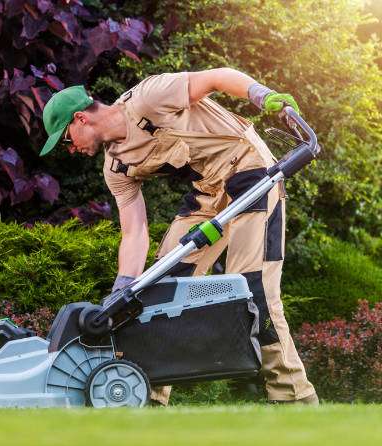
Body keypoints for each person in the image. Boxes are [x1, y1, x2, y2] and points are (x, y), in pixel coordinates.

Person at [39, 68, 319, 405]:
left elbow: (217, 77)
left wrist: (262, 95)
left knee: (254, 288)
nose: (70, 150)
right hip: (207, 193)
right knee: (158, 291)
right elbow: (134, 231)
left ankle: (294, 400)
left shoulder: (149, 97)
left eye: (66, 140)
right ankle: (148, 396)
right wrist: (124, 288)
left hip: (250, 172)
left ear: (81, 118)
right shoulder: (116, 167)